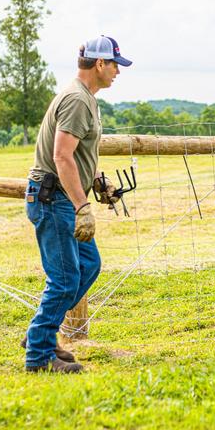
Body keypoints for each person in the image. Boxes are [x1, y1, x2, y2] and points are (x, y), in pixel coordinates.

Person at [23, 35, 132, 373]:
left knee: (88, 265)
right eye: (115, 64)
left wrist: (98, 180)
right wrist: (83, 207)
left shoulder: (86, 98)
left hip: (62, 196)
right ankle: (38, 357)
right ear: (99, 63)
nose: (118, 71)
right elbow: (61, 156)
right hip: (53, 197)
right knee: (66, 278)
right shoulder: (77, 100)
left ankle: (41, 334)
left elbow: (80, 155)